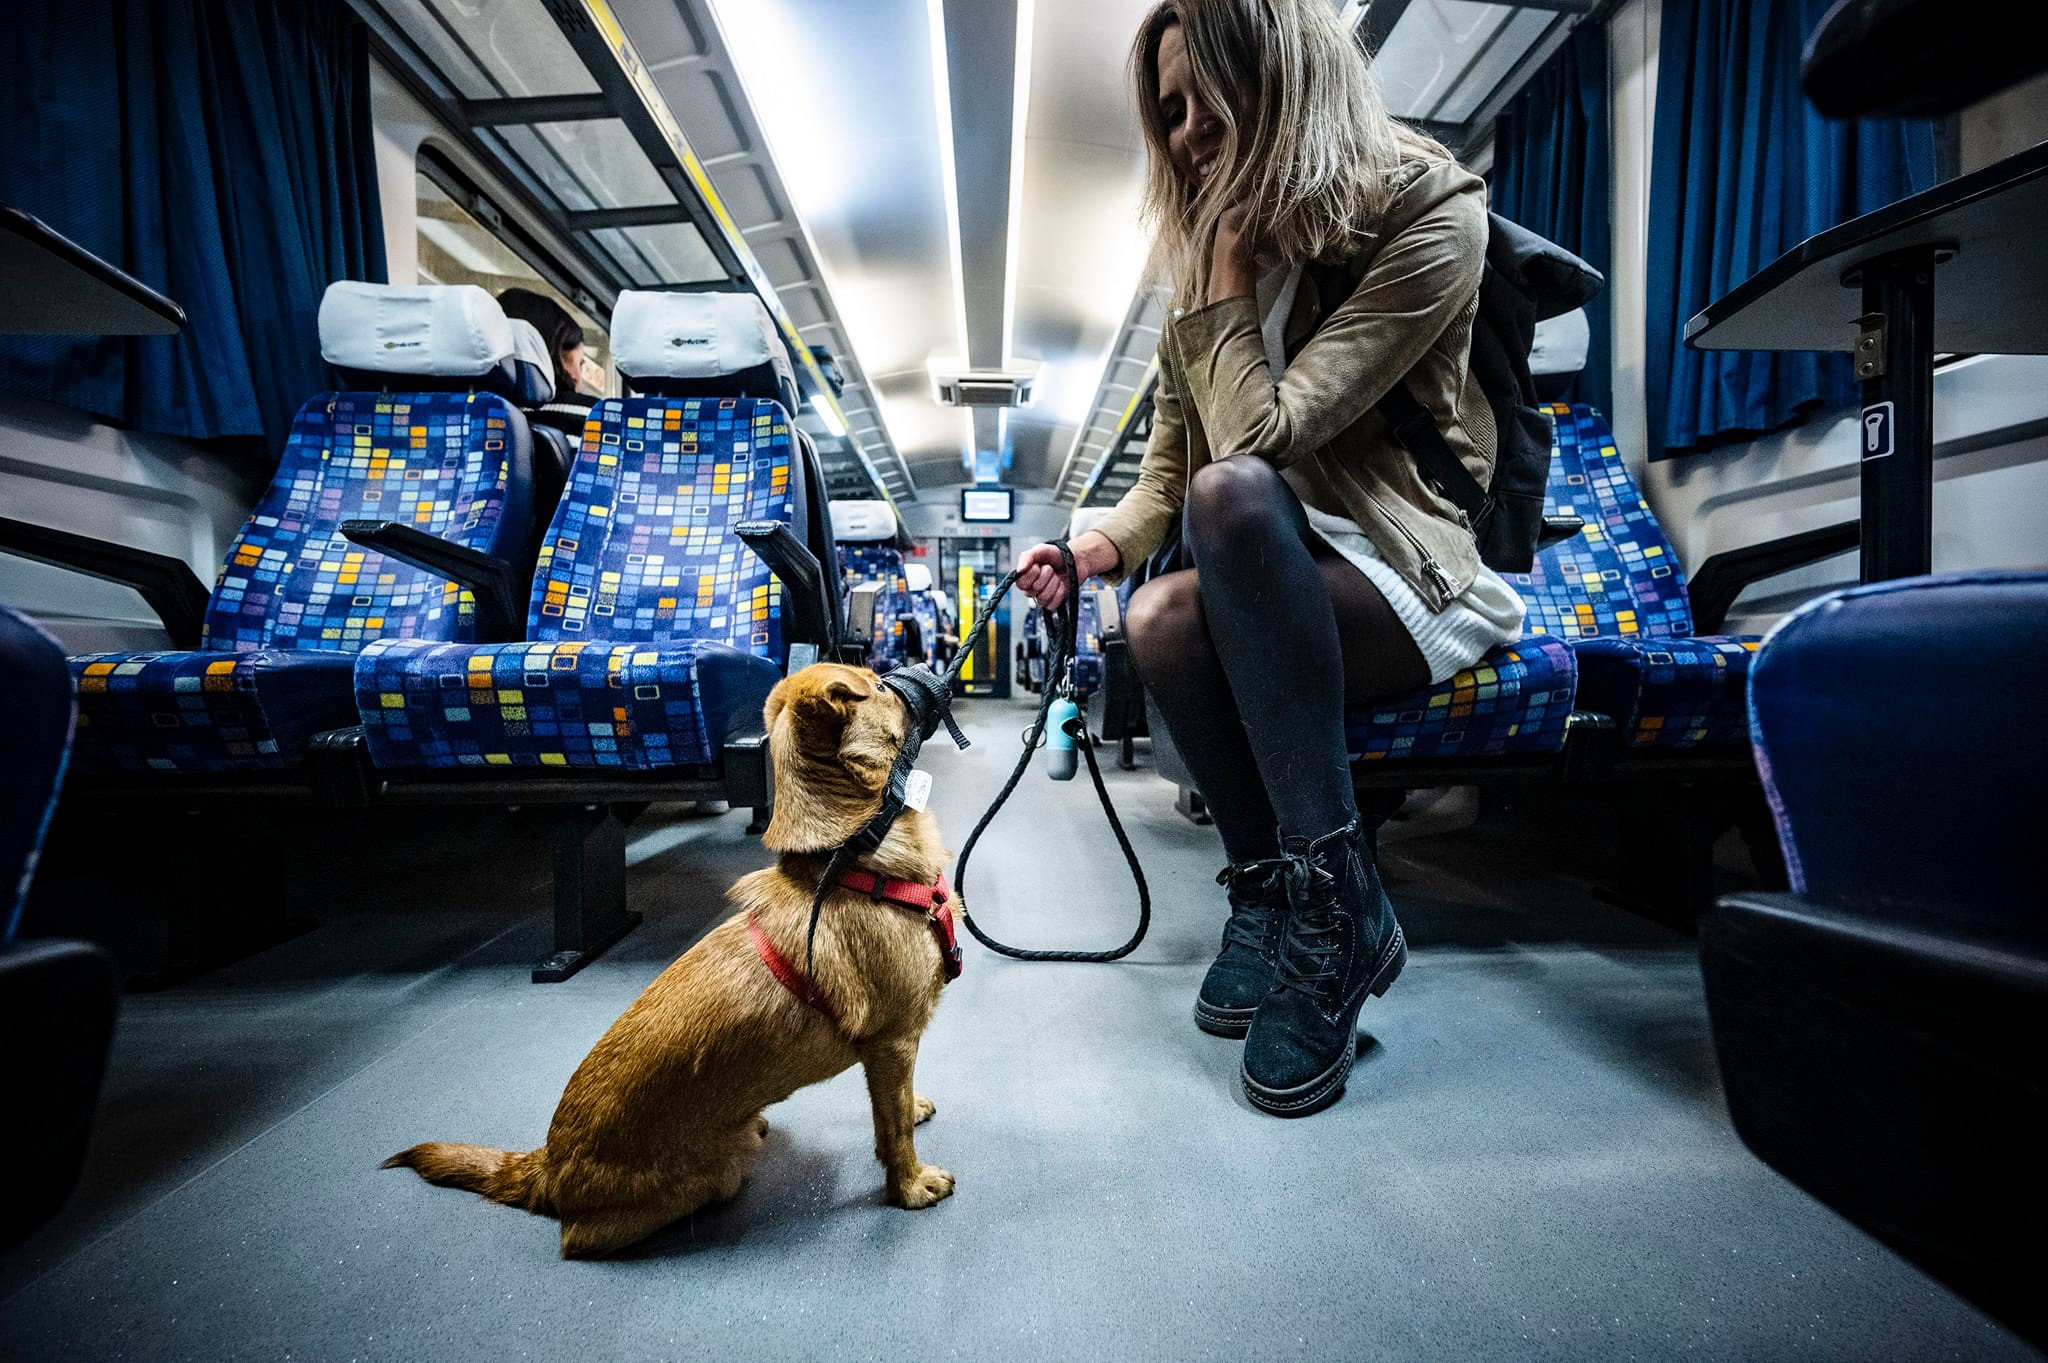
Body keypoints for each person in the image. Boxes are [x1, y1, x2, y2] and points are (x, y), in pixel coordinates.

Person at [1015, 0, 1525, 1117]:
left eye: (1210, 97)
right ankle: (1264, 891)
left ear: (1282, 72)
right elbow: (1169, 475)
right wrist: (1090, 546)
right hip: (1266, 564)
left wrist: (1230, 278)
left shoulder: (1426, 207)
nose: (1190, 134)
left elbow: (1255, 444)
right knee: (1151, 619)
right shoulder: (1202, 266)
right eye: (1170, 112)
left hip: (1401, 572)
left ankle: (1335, 907)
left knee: (1235, 497)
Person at [496, 286, 598, 429]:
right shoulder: (594, 417)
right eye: (579, 365)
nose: (579, 381)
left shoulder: (469, 415)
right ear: (556, 357)